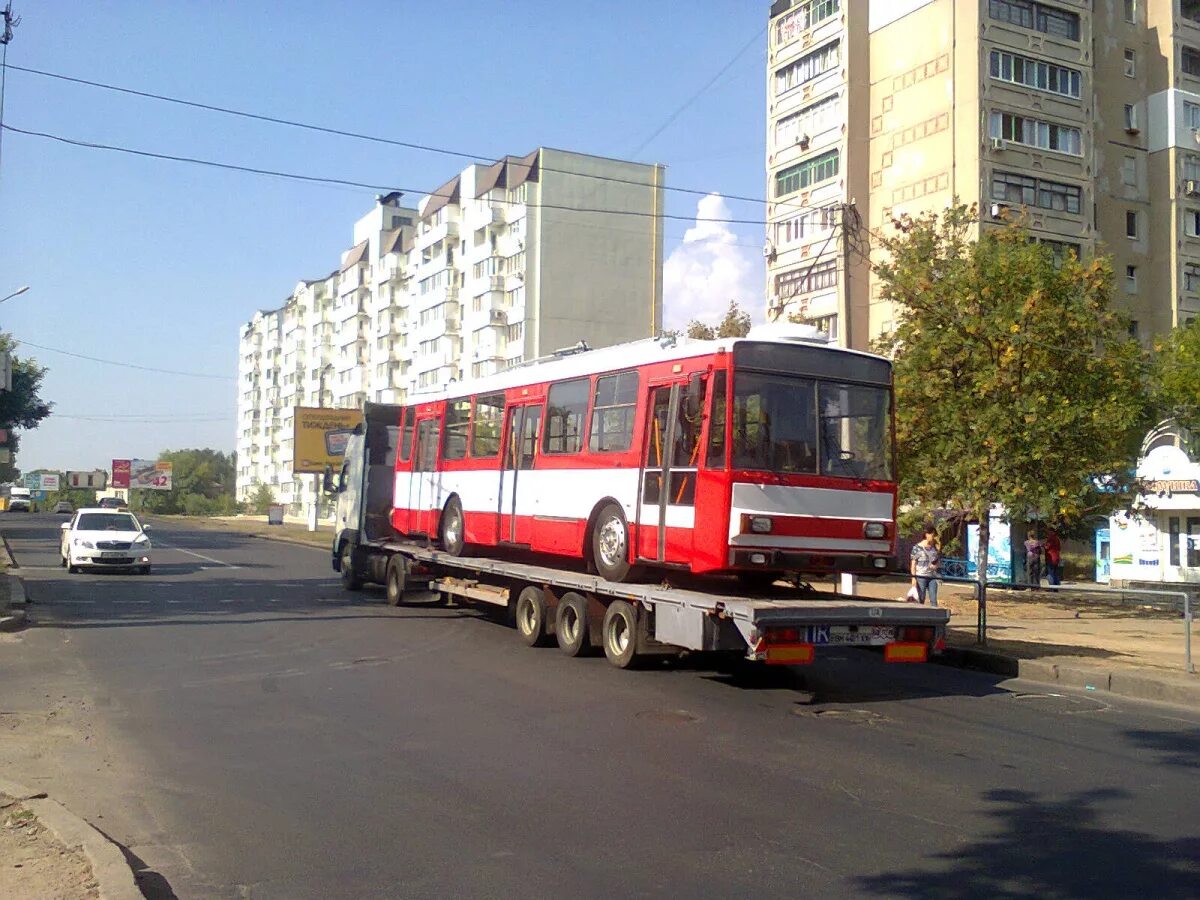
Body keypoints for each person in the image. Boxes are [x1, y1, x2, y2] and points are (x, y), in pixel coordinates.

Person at [909, 523, 941, 606]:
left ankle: (935, 615)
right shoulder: (917, 548)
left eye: (934, 535)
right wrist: (913, 578)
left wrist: (936, 566)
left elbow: (937, 561)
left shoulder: (934, 547)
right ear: (927, 534)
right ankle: (921, 615)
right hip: (921, 576)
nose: (933, 537)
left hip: (932, 576)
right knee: (921, 598)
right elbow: (913, 564)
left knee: (933, 599)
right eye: (932, 535)